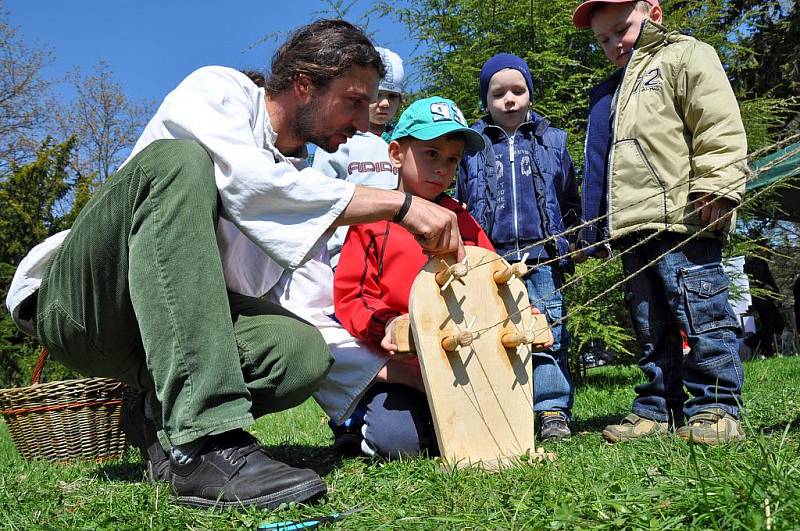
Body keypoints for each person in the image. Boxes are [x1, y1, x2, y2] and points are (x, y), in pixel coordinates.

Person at [5, 20, 466, 510]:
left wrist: (397, 372)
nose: (362, 120)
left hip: (160, 341)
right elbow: (253, 184)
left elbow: (313, 309)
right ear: (304, 84)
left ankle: (160, 418)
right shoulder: (218, 92)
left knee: (300, 351)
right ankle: (205, 442)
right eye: (353, 100)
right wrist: (399, 204)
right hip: (87, 308)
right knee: (177, 162)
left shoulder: (304, 192)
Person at [572, 0, 748, 444]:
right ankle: (656, 408)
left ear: (652, 11)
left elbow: (717, 122)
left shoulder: (684, 55)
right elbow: (604, 165)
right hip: (633, 225)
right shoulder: (611, 91)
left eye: (621, 30)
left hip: (685, 218)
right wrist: (599, 226)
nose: (614, 44)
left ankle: (716, 406)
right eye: (603, 40)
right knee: (649, 325)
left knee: (700, 312)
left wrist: (720, 183)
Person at [330, 96, 497, 458]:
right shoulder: (372, 221)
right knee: (398, 443)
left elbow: (492, 277)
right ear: (396, 154)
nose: (442, 169)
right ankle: (354, 423)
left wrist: (520, 311)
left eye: (452, 160)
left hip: (459, 363)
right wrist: (387, 324)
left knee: (493, 431)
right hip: (400, 368)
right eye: (431, 154)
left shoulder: (463, 221)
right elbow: (351, 299)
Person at [456, 53, 582, 441]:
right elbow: (461, 200)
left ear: (529, 93)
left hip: (541, 256)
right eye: (498, 93)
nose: (509, 99)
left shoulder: (551, 140)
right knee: (492, 334)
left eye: (517, 90)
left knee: (545, 332)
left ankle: (552, 409)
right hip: (489, 258)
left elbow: (569, 198)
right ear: (486, 101)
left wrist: (574, 242)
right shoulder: (472, 146)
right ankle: (499, 409)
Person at [313, 47, 405, 267]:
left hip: (395, 253)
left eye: (392, 96)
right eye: (378, 95)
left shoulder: (406, 145)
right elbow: (318, 197)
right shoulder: (338, 140)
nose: (384, 104)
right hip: (345, 256)